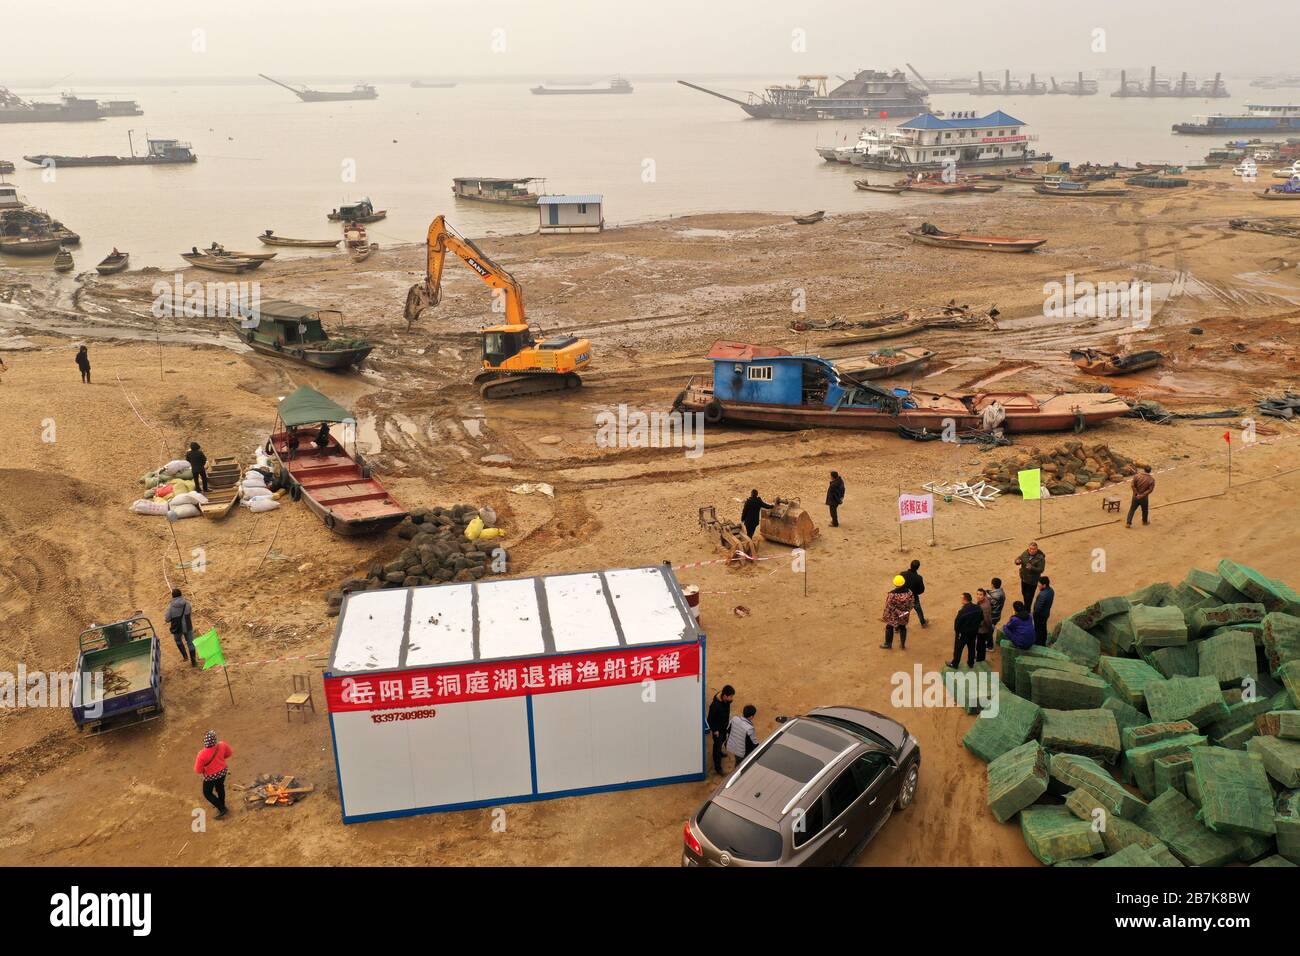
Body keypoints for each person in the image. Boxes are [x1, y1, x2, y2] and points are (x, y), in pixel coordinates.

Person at [194, 730, 233, 819]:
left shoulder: (201, 754)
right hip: (223, 772)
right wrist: (219, 760)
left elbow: (198, 770)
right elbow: (229, 754)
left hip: (210, 776)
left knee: (207, 793)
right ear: (215, 739)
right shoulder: (222, 745)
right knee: (220, 787)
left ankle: (222, 808)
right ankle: (221, 804)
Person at [163, 588, 197, 667]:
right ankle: (194, 663)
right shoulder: (187, 603)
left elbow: (167, 619)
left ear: (172, 596)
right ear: (181, 594)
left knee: (178, 640)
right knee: (191, 644)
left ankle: (185, 657)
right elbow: (190, 612)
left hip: (177, 628)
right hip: (188, 626)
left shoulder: (170, 607)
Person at [706, 685, 735, 775]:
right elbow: (710, 720)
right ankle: (718, 767)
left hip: (724, 727)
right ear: (725, 696)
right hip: (717, 731)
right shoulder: (715, 706)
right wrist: (715, 730)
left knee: (722, 740)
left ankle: (720, 753)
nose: (732, 698)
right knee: (717, 747)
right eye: (730, 696)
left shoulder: (727, 701)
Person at [880, 575, 915, 649]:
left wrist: (897, 612)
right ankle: (902, 645)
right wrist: (906, 611)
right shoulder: (909, 593)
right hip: (904, 615)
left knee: (889, 627)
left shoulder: (892, 594)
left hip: (893, 615)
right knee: (903, 627)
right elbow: (912, 603)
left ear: (895, 584)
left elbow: (889, 605)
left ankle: (888, 644)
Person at [951, 592, 984, 668]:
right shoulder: (978, 608)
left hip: (963, 634)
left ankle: (955, 664)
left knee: (958, 649)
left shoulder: (962, 611)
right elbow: (982, 619)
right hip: (973, 632)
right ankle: (971, 663)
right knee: (972, 648)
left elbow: (957, 625)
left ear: (964, 600)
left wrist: (958, 633)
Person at [1014, 541, 1046, 609]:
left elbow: (1041, 569)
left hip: (1032, 581)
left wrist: (1032, 568)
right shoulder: (1025, 553)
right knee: (1024, 593)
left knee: (1029, 596)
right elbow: (1019, 558)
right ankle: (1026, 605)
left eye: (1034, 549)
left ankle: (1027, 609)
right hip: (1024, 578)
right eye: (1030, 549)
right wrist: (1017, 561)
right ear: (1028, 548)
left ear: (1036, 549)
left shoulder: (1040, 558)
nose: (1032, 550)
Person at [901, 559, 928, 628]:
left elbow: (899, 584)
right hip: (914, 597)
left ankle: (898, 626)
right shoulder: (918, 578)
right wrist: (915, 593)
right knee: (918, 610)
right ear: (918, 568)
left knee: (904, 611)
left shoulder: (902, 574)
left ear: (910, 565)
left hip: (903, 596)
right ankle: (923, 623)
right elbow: (921, 590)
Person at [1033, 576, 1055, 646]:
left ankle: (1038, 643)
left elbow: (1038, 609)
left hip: (1040, 616)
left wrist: (1034, 614)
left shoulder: (1042, 595)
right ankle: (1043, 640)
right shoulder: (1051, 590)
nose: (1038, 586)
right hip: (1046, 614)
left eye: (1039, 585)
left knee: (1038, 629)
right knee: (1043, 628)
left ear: (1044, 585)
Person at [975, 587, 994, 662]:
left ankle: (980, 659)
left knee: (980, 646)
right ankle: (980, 657)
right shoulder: (984, 601)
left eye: (980, 595)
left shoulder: (984, 607)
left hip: (982, 630)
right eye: (977, 594)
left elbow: (987, 620)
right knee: (980, 645)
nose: (978, 596)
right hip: (982, 628)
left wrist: (990, 629)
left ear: (984, 596)